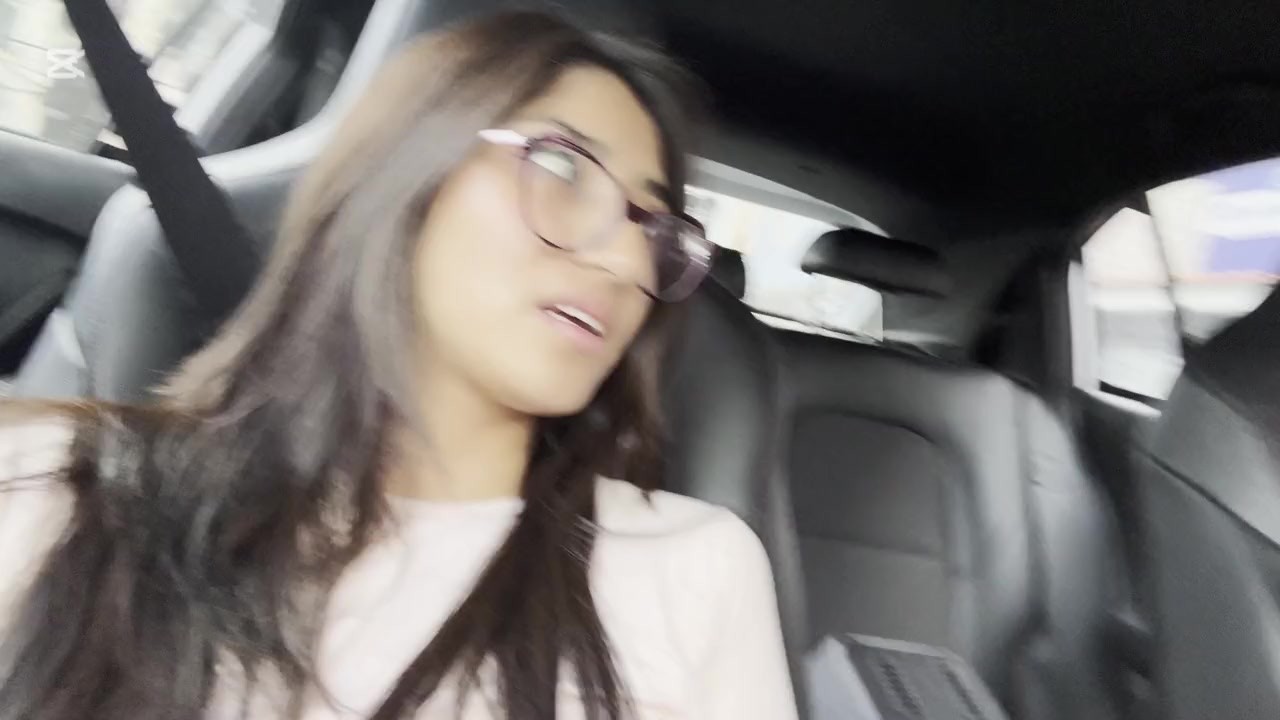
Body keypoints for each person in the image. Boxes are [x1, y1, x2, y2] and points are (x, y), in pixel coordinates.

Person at [0, 10, 798, 720]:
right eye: (562, 169)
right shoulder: (57, 487)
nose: (627, 261)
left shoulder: (691, 567)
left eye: (655, 229)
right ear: (403, 175)